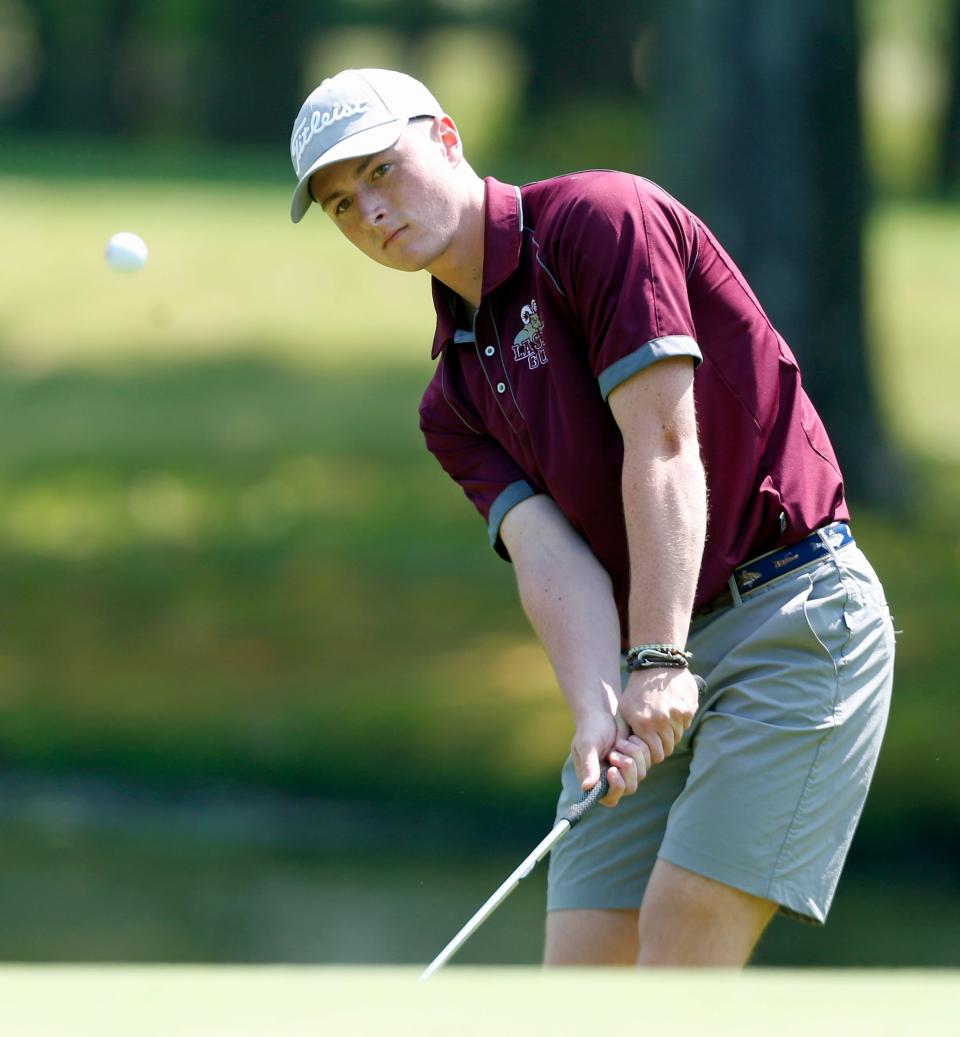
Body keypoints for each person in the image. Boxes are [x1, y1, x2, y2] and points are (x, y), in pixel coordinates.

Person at [288, 68, 895, 966]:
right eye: (341, 203)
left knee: (681, 936)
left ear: (447, 137)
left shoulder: (597, 222)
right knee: (581, 974)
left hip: (791, 617)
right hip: (650, 650)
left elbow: (664, 444)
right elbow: (549, 556)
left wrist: (658, 655)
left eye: (381, 170)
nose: (368, 211)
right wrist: (595, 705)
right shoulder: (450, 397)